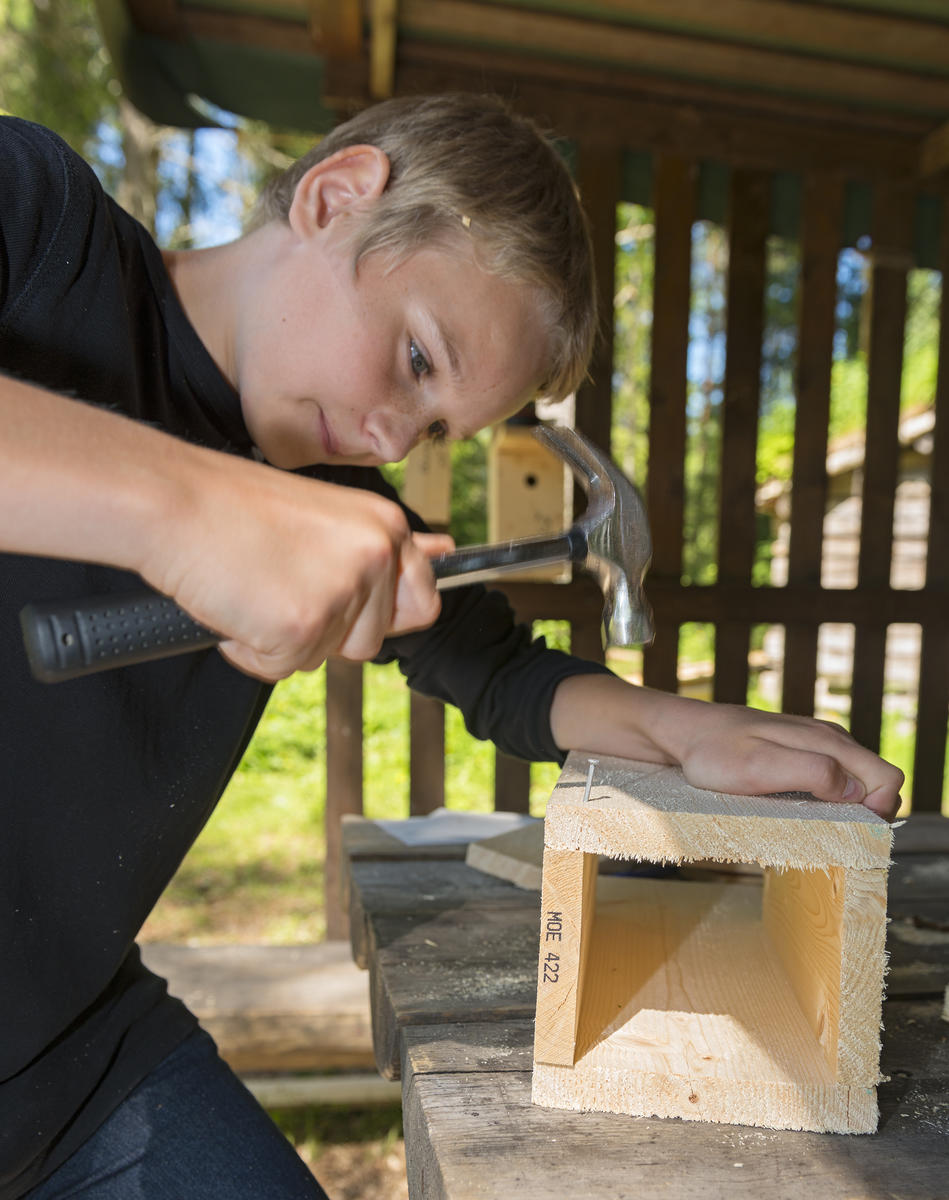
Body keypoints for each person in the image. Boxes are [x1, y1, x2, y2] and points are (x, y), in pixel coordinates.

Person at [0, 93, 902, 1199]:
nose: (393, 437)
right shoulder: (38, 222)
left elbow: (501, 671)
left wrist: (691, 733)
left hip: (73, 1062)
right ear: (334, 199)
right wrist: (188, 508)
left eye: (436, 430)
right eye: (418, 360)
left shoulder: (335, 500)